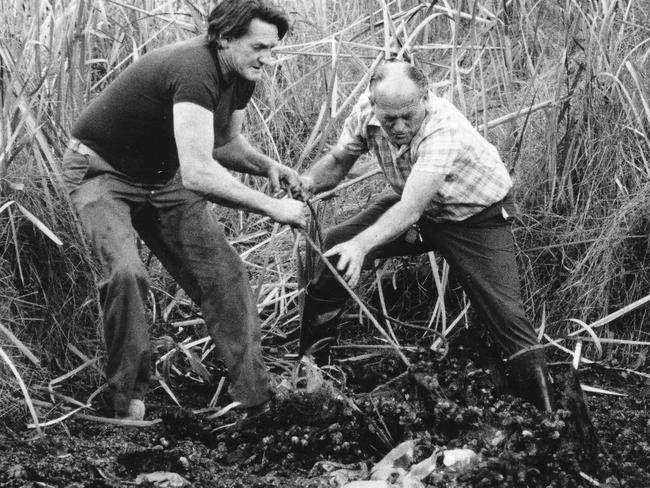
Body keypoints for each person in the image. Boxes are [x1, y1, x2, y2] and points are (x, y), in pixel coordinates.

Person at [61, 0, 305, 421]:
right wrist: (272, 207)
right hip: (102, 173)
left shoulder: (241, 73)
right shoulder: (195, 69)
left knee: (224, 273)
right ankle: (124, 402)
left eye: (273, 48)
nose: (268, 58)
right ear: (225, 37)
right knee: (126, 275)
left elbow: (223, 144)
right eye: (259, 47)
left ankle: (256, 398)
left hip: (161, 179)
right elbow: (198, 173)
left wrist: (268, 166)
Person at [297, 59, 554, 412]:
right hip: (419, 210)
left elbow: (409, 210)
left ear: (425, 98)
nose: (399, 127)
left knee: (505, 316)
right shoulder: (366, 111)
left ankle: (548, 412)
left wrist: (362, 245)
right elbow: (340, 161)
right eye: (389, 119)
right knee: (335, 249)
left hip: (474, 220)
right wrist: (306, 185)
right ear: (374, 105)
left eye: (408, 116)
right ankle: (313, 371)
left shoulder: (442, 127)